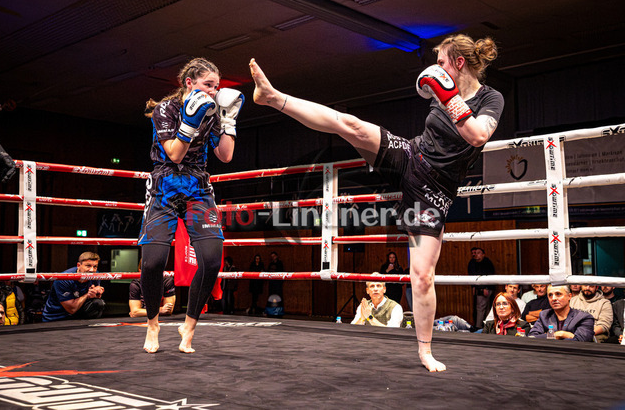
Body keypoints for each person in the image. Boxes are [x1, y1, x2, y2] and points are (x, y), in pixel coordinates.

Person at [250, 33, 504, 372]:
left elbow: (478, 136)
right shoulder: (440, 88)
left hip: (434, 190)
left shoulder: (490, 98)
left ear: (459, 63)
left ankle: (425, 350)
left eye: (442, 62)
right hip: (410, 156)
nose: (437, 68)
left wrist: (449, 97)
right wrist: (445, 95)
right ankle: (274, 97)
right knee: (350, 125)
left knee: (422, 275)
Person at [138, 57, 241, 353]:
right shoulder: (166, 109)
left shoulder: (213, 112)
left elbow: (225, 156)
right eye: (208, 85)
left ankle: (189, 326)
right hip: (164, 185)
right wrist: (190, 121)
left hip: (198, 187)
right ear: (189, 82)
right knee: (153, 262)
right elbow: (174, 154)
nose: (213, 91)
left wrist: (228, 121)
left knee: (211, 259)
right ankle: (153, 324)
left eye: (216, 87)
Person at [42, 252, 105, 322]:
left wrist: (97, 292)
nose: (92, 270)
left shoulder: (95, 275)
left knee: (98, 303)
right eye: (88, 266)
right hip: (56, 317)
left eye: (95, 266)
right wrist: (87, 294)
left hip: (77, 317)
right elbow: (71, 309)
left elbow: (94, 295)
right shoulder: (64, 279)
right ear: (78, 265)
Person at [528, 285, 594, 341]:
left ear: (569, 296)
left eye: (558, 294)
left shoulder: (584, 317)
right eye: (550, 295)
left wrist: (550, 336)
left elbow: (581, 341)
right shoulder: (544, 315)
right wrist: (558, 335)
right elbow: (532, 338)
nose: (553, 298)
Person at [468, 247, 495, 329]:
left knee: (482, 308)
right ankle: (484, 327)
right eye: (476, 253)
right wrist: (473, 287)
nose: (476, 255)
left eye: (479, 253)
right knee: (482, 308)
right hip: (479, 288)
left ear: (483, 254)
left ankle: (479, 326)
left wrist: (485, 288)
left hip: (486, 288)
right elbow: (472, 276)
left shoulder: (487, 262)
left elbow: (489, 275)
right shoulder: (473, 263)